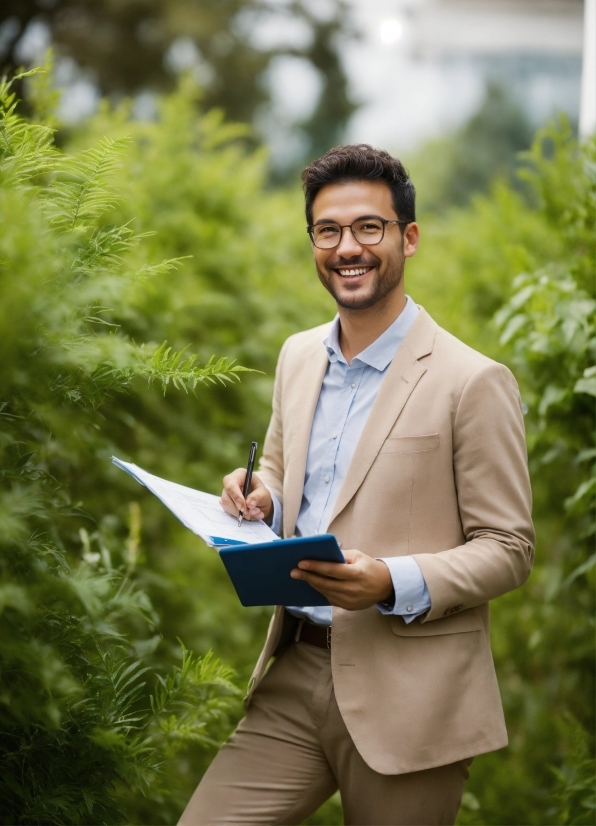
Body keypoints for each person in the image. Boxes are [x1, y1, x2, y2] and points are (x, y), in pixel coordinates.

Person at [179, 144, 535, 826]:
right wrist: (263, 498)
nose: (348, 247)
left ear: (409, 237)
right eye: (328, 230)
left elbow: (509, 546)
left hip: (413, 697)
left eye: (369, 228)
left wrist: (391, 582)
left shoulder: (473, 381)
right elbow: (287, 474)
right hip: (297, 671)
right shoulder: (296, 355)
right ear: (314, 240)